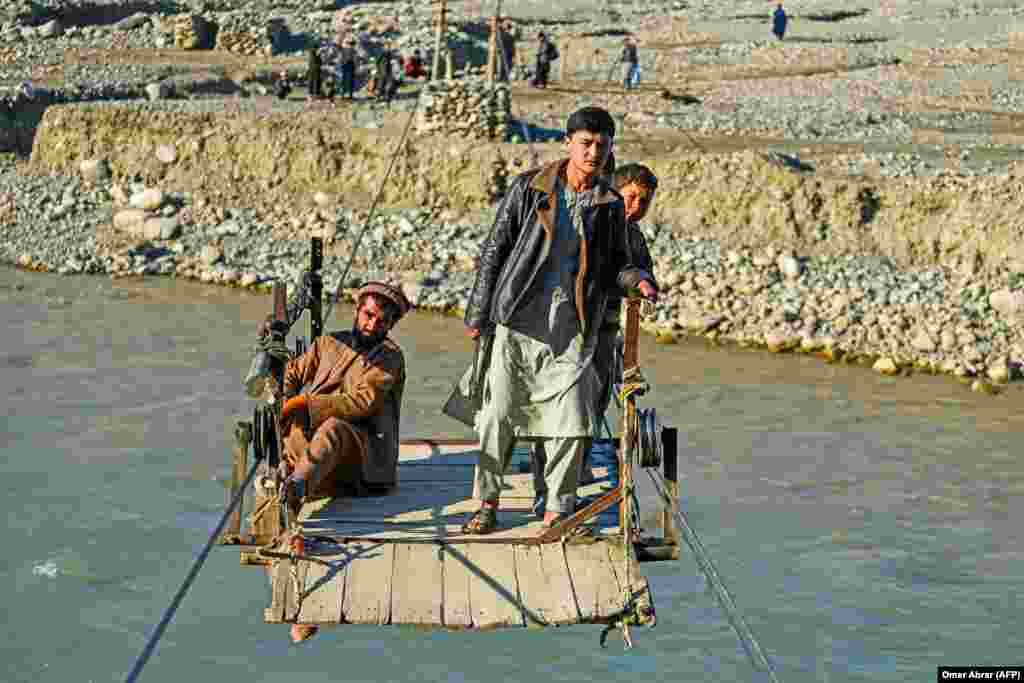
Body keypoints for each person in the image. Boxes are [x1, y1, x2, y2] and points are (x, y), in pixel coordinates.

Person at [460, 106, 658, 534]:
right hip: (518, 319)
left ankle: (556, 511)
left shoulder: (608, 204)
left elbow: (617, 267)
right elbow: (497, 247)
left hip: (573, 329)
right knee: (499, 415)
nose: (593, 152)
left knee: (573, 421)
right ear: (569, 143)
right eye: (586, 143)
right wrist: (479, 311)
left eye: (601, 146)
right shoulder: (530, 188)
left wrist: (638, 280)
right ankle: (487, 505)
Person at [271, 281, 410, 642]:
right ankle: (295, 496)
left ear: (390, 325)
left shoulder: (388, 358)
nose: (371, 325)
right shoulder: (329, 342)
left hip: (362, 459)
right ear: (357, 310)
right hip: (320, 457)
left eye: (381, 321)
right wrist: (284, 395)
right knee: (299, 431)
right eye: (368, 315)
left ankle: (295, 491)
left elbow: (362, 402)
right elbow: (293, 373)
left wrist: (306, 404)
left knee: (331, 428)